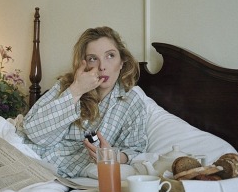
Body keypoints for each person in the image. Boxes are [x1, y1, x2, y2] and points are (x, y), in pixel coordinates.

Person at [18, 26, 147, 178]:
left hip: (66, 174)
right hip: (31, 156)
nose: (102, 67)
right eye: (93, 58)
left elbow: (135, 149)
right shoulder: (66, 85)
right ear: (84, 63)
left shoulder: (132, 102)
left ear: (122, 62)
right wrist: (76, 90)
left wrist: (114, 156)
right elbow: (34, 133)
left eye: (110, 56)